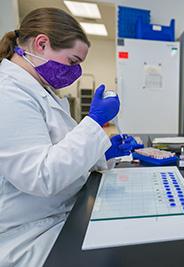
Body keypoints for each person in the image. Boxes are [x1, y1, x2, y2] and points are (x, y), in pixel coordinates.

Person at [0, 8, 136, 267]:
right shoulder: (7, 93)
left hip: (58, 215)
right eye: (72, 61)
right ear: (41, 44)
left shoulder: (41, 91)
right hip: (29, 234)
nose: (75, 71)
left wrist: (101, 153)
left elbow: (61, 152)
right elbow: (41, 176)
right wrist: (95, 123)